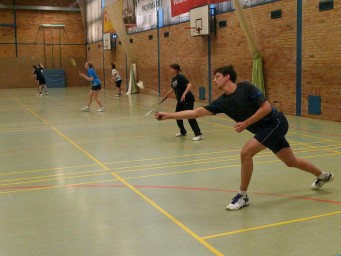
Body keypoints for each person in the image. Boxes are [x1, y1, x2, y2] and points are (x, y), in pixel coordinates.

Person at [155, 65, 334, 211]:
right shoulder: (222, 102)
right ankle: (323, 175)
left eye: (217, 76)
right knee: (290, 161)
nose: (214, 80)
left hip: (276, 123)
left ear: (227, 77)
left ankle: (242, 195)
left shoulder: (246, 87)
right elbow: (195, 112)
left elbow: (266, 108)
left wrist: (246, 123)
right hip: (264, 130)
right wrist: (169, 115)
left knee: (246, 152)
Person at [161, 63, 203, 141]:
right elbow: (173, 88)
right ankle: (183, 131)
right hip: (180, 101)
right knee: (177, 115)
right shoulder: (173, 79)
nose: (170, 70)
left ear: (176, 70)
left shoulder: (180, 77)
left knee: (190, 116)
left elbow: (189, 85)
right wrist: (166, 95)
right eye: (169, 69)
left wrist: (184, 94)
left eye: (171, 69)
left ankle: (198, 134)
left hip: (188, 99)